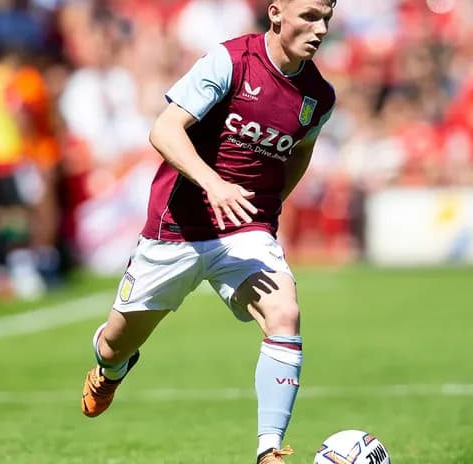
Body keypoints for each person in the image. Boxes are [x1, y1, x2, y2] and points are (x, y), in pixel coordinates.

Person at [79, 1, 337, 463]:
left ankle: (269, 449)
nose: (320, 29)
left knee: (285, 314)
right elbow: (164, 130)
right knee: (117, 341)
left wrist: (270, 205)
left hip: (246, 229)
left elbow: (300, 150)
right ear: (276, 13)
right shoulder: (230, 61)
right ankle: (112, 364)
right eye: (310, 16)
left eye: (327, 18)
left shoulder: (318, 96)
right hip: (177, 227)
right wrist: (213, 183)